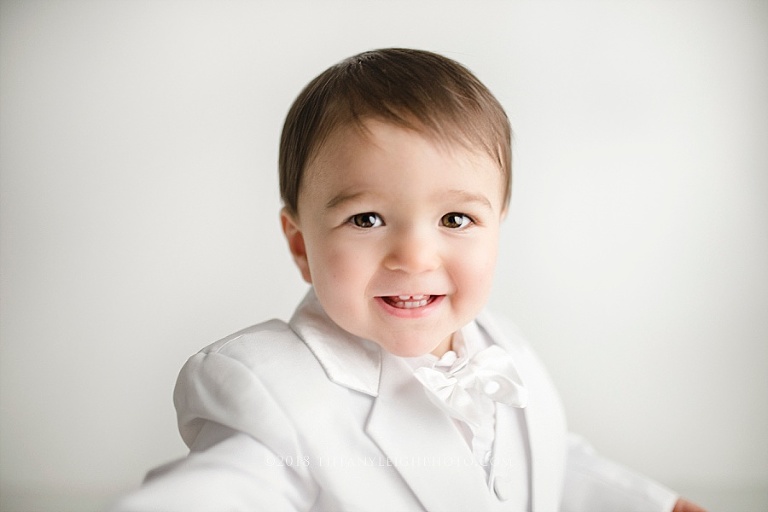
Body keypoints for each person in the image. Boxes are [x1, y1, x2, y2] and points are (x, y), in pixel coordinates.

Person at [111, 48, 706, 512]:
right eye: (366, 218)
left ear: (498, 227)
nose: (415, 255)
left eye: (455, 218)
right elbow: (228, 489)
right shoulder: (272, 391)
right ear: (300, 244)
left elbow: (540, 467)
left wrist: (649, 504)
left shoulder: (502, 348)